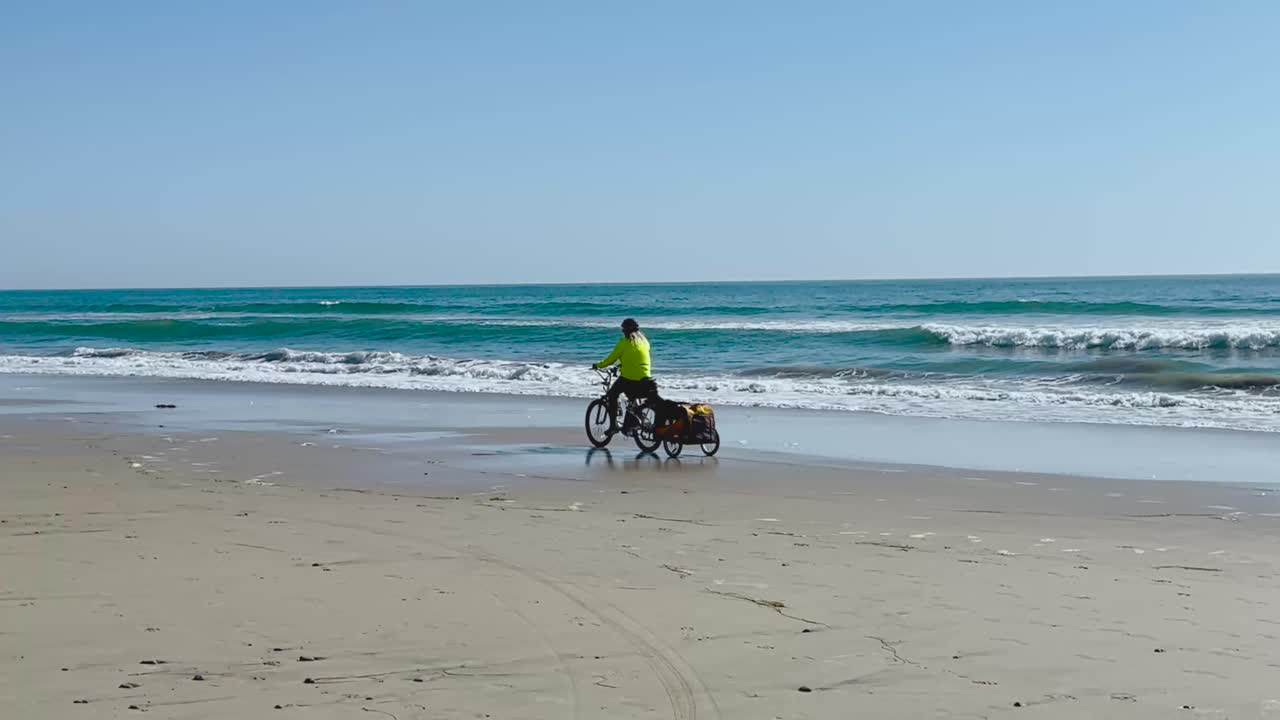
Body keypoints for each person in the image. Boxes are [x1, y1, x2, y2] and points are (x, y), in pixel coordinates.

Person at [592, 318, 657, 435]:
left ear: (626, 331)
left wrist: (598, 365)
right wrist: (623, 363)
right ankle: (634, 420)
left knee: (612, 395)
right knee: (632, 398)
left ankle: (614, 426)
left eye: (623, 330)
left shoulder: (624, 343)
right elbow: (635, 357)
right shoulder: (645, 342)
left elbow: (610, 359)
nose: (622, 332)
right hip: (646, 378)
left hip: (630, 379)